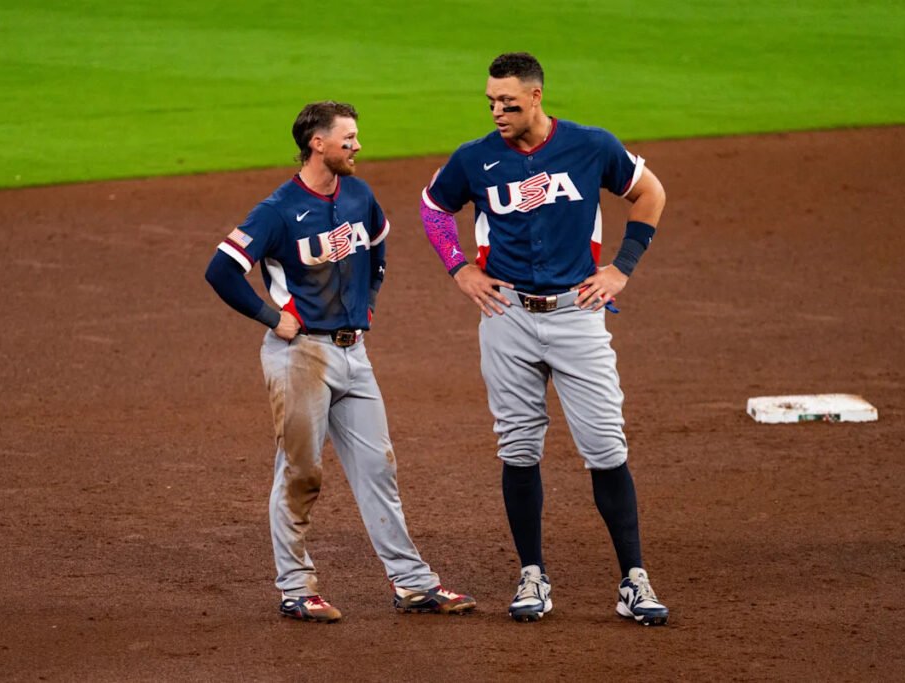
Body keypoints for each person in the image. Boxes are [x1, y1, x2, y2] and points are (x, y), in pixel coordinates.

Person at [419, 53, 669, 625]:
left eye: (508, 102)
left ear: (536, 96)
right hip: (506, 315)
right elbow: (433, 208)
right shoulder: (475, 157)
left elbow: (650, 194)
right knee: (517, 447)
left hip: (576, 315)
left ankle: (634, 580)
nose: (497, 112)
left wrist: (621, 269)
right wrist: (459, 268)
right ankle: (531, 573)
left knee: (606, 447)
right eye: (490, 102)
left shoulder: (590, 145)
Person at [205, 101, 475, 623]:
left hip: (356, 355)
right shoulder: (278, 210)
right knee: (301, 472)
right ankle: (295, 588)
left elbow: (378, 248)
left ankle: (413, 583)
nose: (357, 146)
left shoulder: (358, 194)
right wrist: (271, 317)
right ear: (318, 144)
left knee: (379, 468)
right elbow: (221, 269)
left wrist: (367, 302)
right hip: (300, 356)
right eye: (347, 138)